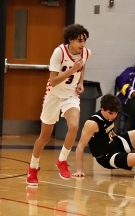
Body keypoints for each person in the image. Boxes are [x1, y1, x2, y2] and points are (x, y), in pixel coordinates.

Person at [26, 24, 91, 185]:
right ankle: (33, 168)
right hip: (53, 95)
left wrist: (81, 82)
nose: (83, 44)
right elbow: (53, 81)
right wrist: (72, 70)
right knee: (45, 136)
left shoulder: (86, 53)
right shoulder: (59, 52)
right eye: (79, 40)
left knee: (74, 125)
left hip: (70, 95)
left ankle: (62, 160)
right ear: (70, 39)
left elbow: (82, 67)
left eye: (84, 40)